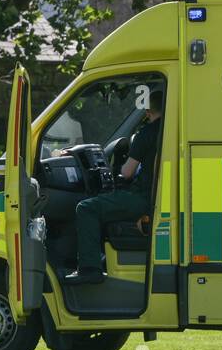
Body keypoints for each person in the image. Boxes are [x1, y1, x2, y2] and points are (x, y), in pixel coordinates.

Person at [64, 89, 164, 285]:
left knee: (86, 208)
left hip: (142, 199)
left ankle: (90, 268)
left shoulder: (147, 134)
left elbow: (127, 173)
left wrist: (116, 172)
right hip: (158, 198)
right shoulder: (170, 130)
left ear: (147, 112)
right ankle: (101, 259)